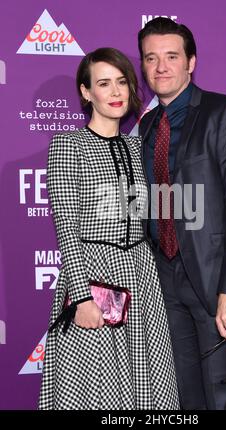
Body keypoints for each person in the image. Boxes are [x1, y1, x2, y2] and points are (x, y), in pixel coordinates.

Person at [38, 47, 179, 410]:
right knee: (94, 386)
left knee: (148, 382)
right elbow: (66, 227)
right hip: (94, 273)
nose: (115, 92)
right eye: (103, 83)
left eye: (121, 82)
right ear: (87, 92)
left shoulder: (139, 145)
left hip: (141, 274)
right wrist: (82, 298)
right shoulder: (68, 145)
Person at [138, 17, 226, 410]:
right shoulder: (145, 127)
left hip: (214, 283)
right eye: (151, 58)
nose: (161, 67)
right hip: (162, 282)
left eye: (171, 56)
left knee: (223, 396)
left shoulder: (223, 113)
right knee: (184, 398)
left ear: (190, 62)